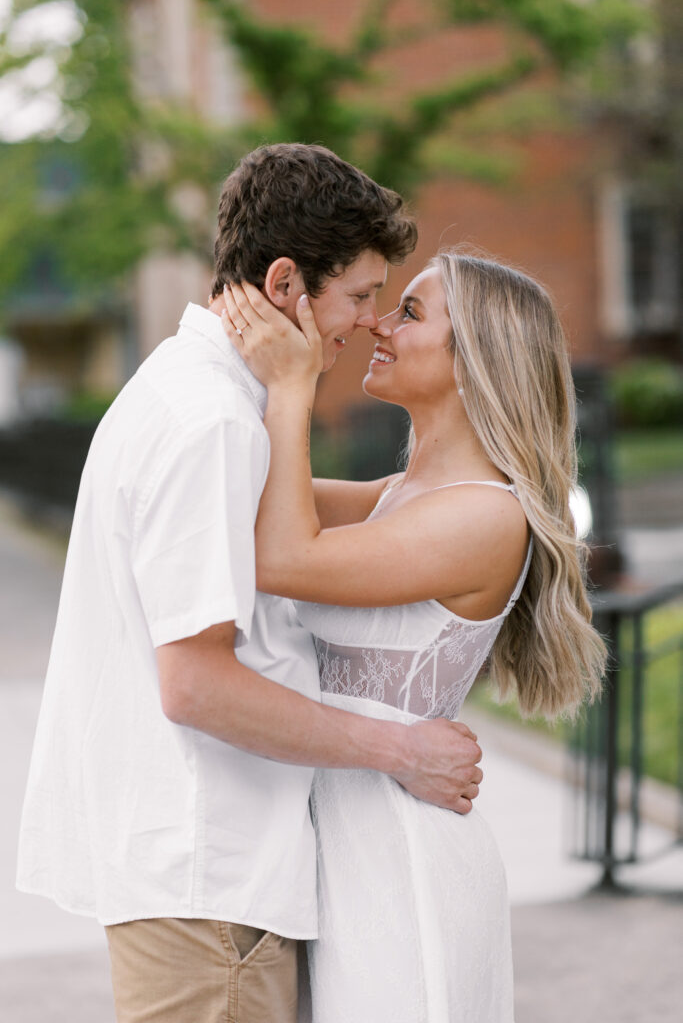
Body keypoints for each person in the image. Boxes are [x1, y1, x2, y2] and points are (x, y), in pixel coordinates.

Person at [16, 144, 486, 1023]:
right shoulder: (212, 426)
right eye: (357, 295)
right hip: (211, 886)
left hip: (205, 882)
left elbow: (344, 512)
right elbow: (195, 684)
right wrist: (402, 751)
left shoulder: (191, 395)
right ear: (284, 284)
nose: (368, 323)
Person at [221, 250, 607, 1022]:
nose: (377, 323)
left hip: (400, 864)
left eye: (411, 313)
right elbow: (234, 496)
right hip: (335, 851)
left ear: (475, 364)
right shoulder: (394, 497)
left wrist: (293, 385)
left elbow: (282, 555)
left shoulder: (484, 515)